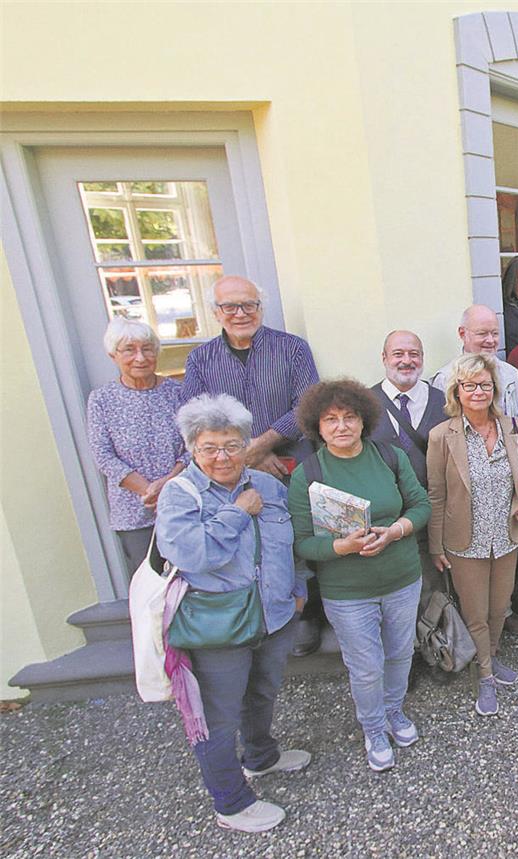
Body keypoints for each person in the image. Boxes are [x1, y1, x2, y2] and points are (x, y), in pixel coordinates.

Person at [156, 394, 309, 834]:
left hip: (274, 615)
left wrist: (298, 587)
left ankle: (260, 757)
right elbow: (193, 554)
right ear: (192, 449)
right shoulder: (179, 495)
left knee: (262, 692)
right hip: (218, 625)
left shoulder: (268, 486)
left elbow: (293, 540)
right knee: (218, 717)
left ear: (247, 445)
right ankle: (231, 803)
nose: (222, 457)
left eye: (232, 445)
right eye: (210, 448)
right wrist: (236, 513)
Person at [289, 380, 429, 772]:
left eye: (349, 417)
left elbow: (421, 505)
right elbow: (301, 542)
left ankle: (394, 710)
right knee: (366, 667)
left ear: (363, 420)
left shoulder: (389, 457)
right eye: (330, 419)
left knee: (401, 653)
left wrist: (395, 531)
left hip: (402, 578)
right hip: (348, 591)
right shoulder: (308, 474)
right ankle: (373, 728)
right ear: (317, 427)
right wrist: (341, 547)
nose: (341, 426)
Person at [180, 274, 323, 656]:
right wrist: (244, 454)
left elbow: (308, 405)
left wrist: (261, 445)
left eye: (249, 305)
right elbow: (194, 415)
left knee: (293, 535)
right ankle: (252, 613)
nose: (240, 313)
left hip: (289, 463)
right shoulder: (200, 359)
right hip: (228, 467)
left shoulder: (292, 349)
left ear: (260, 308)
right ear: (216, 312)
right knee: (247, 539)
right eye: (230, 306)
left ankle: (305, 612)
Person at [426, 355, 518, 716]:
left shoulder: (513, 428)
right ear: (457, 391)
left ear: (494, 389)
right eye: (470, 385)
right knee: (475, 612)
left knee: (499, 607)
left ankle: (487, 656)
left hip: (506, 537)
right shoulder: (442, 436)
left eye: (485, 385)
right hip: (465, 542)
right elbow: (436, 494)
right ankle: (486, 675)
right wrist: (436, 545)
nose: (478, 391)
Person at [86, 318, 185, 571]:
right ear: (113, 355)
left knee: (195, 579)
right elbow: (103, 456)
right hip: (134, 514)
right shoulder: (101, 400)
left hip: (183, 503)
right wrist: (149, 491)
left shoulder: (178, 392)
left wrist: (168, 486)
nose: (140, 358)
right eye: (129, 350)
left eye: (147, 349)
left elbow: (194, 447)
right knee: (149, 583)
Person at [369, 330, 449, 607]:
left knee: (434, 593)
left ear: (423, 358)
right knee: (394, 598)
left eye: (413, 354)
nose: (406, 361)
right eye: (398, 354)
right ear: (384, 358)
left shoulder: (444, 402)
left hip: (435, 518)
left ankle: (434, 633)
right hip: (385, 521)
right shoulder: (365, 404)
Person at [430, 305, 518, 419]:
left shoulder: (510, 374)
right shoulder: (446, 378)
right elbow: (441, 425)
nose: (490, 340)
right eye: (482, 333)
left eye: (495, 333)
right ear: (462, 334)